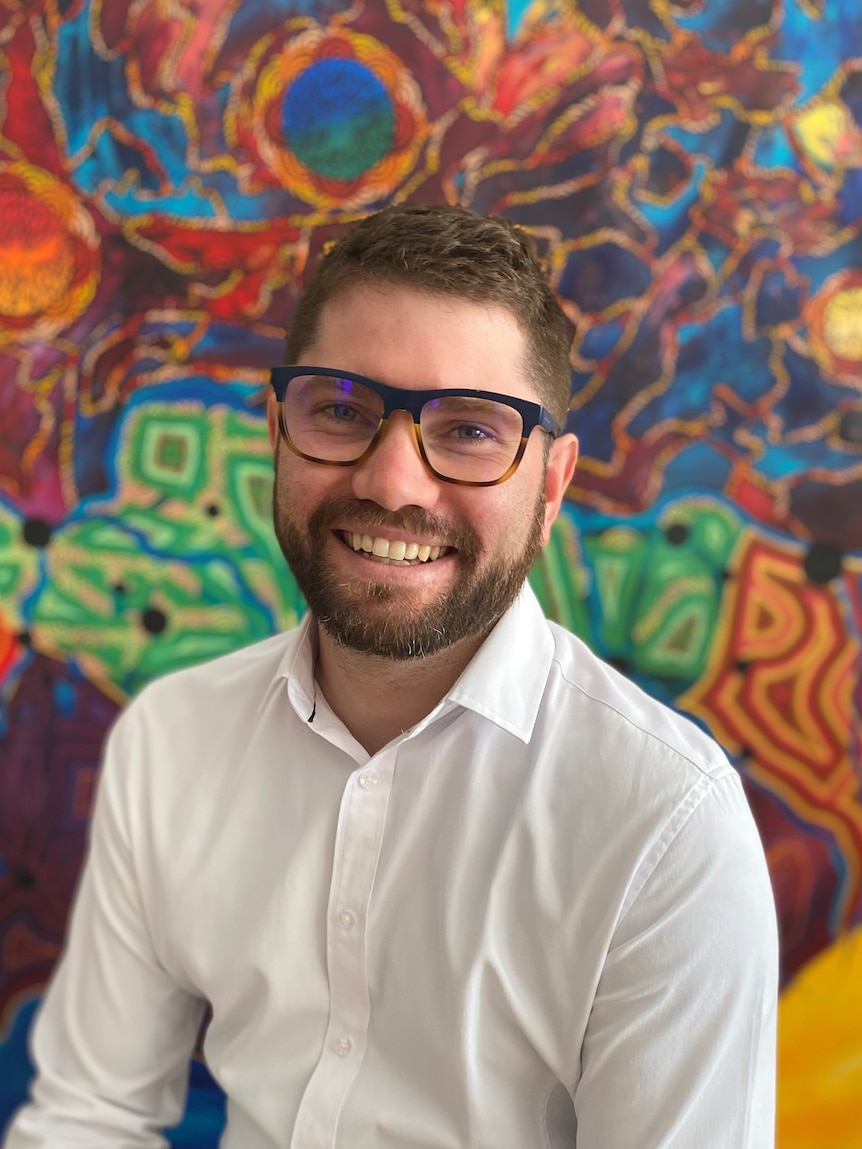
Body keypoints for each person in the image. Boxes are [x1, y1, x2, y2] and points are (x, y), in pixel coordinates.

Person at [4, 203, 778, 1149]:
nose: (394, 483)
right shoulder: (172, 740)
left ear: (553, 486)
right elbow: (92, 1115)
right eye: (341, 410)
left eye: (470, 431)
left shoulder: (665, 822)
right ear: (279, 432)